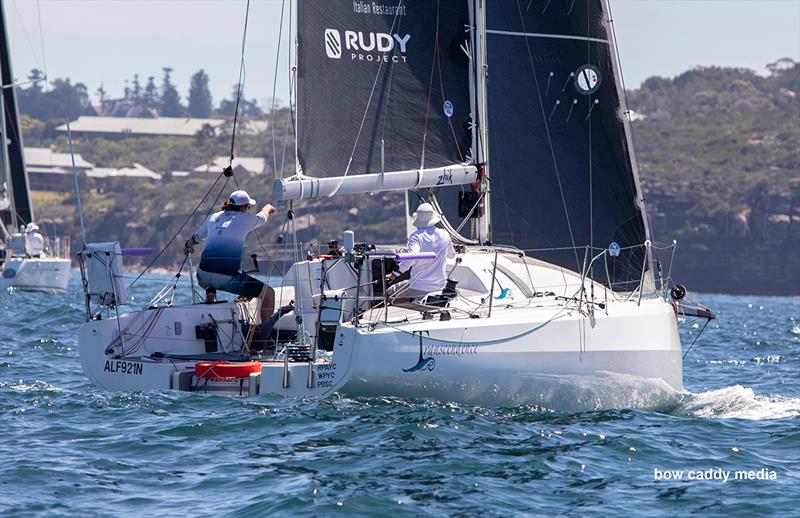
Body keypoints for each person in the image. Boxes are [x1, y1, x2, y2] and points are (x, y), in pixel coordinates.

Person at [185, 190, 277, 325]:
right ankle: (266, 335)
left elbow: (195, 238)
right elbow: (263, 216)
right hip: (225, 279)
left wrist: (187, 245)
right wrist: (268, 207)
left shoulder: (214, 217)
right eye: (248, 207)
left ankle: (210, 289)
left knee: (209, 277)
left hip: (202, 275)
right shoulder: (245, 219)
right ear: (243, 208)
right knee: (269, 294)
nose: (248, 210)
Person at [386, 203, 456, 301]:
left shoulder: (416, 236)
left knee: (388, 293)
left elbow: (410, 259)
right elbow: (452, 255)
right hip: (440, 287)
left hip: (418, 287)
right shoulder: (444, 234)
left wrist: (394, 275)